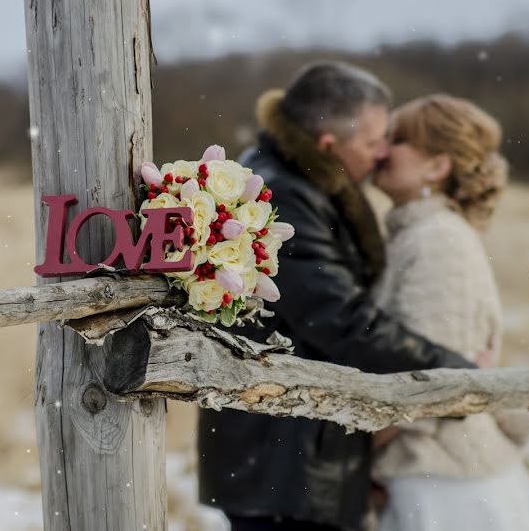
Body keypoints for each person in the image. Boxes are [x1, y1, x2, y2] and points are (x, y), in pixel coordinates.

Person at [197, 62, 477, 531]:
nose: (382, 153)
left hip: (286, 453)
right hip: (285, 461)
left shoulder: (290, 177)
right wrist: (462, 374)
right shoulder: (282, 196)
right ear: (329, 145)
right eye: (373, 142)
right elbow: (342, 321)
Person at [370, 94, 529, 531]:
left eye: (398, 139)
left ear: (437, 167)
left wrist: (362, 445)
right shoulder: (414, 235)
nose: (381, 148)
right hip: (429, 475)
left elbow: (430, 373)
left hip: (448, 489)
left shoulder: (437, 240)